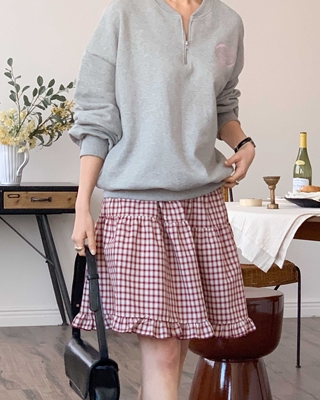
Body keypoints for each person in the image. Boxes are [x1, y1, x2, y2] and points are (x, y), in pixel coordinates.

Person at [69, 0, 256, 399]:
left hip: (202, 208)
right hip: (138, 209)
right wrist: (82, 205)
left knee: (176, 351)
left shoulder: (227, 22)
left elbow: (223, 105)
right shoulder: (124, 14)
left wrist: (243, 142)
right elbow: (96, 117)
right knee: (167, 355)